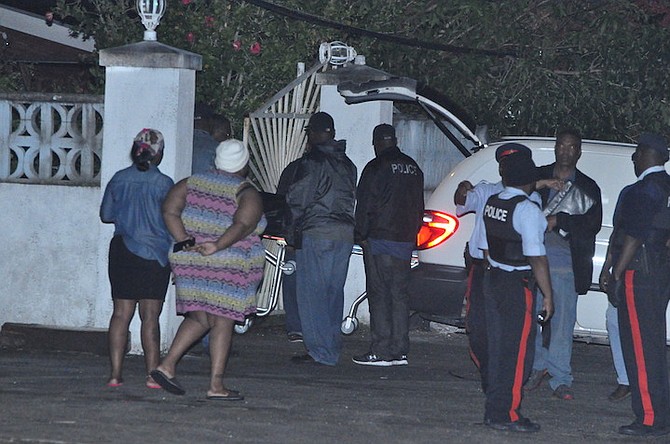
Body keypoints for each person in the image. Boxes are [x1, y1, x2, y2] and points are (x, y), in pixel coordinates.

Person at [151, 139, 267, 401]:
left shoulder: (191, 182)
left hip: (190, 260)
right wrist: (216, 245)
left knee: (201, 318)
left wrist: (185, 240)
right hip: (225, 263)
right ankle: (216, 385)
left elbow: (170, 210)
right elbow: (244, 224)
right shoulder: (245, 190)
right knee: (223, 320)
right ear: (244, 163)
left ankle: (166, 366)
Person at [600, 133, 670, 437]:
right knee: (651, 344)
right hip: (656, 271)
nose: (633, 158)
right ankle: (658, 414)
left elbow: (632, 235)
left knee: (641, 348)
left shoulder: (646, 188)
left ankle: (650, 419)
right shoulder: (665, 186)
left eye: (636, 152)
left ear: (645, 154)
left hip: (640, 271)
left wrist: (616, 271)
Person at [525, 129, 602, 401]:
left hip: (566, 265)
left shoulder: (588, 187)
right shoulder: (538, 176)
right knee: (531, 320)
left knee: (561, 324)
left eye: (572, 147)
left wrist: (559, 221)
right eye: (562, 146)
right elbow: (516, 194)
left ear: (579, 152)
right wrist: (541, 184)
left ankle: (560, 378)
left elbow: (592, 225)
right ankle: (536, 367)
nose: (566, 151)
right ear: (555, 147)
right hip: (532, 262)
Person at [453, 143, 537, 389]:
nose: (506, 168)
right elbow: (462, 200)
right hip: (482, 269)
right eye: (503, 163)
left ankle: (508, 381)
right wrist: (461, 187)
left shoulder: (530, 198)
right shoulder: (486, 190)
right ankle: (492, 374)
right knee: (478, 329)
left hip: (513, 273)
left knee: (512, 331)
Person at [482, 152, 554, 433]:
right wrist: (548, 295)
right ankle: (507, 414)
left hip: (494, 280)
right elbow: (537, 258)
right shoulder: (527, 210)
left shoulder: (493, 202)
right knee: (517, 354)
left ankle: (494, 409)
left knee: (499, 350)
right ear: (530, 178)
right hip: (516, 286)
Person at [100, 128, 174, 389]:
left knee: (120, 313)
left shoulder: (119, 179)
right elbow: (173, 220)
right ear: (159, 154)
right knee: (150, 316)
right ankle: (153, 374)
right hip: (153, 254)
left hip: (123, 251)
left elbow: (106, 214)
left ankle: (115, 374)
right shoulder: (164, 184)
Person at [283, 111, 356, 366]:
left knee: (312, 294)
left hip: (317, 232)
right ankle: (331, 347)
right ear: (332, 134)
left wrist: (290, 234)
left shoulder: (312, 161)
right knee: (333, 294)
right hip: (344, 234)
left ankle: (320, 352)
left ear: (313, 134)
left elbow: (298, 201)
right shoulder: (348, 163)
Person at [352, 124, 424, 367]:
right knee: (400, 296)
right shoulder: (413, 167)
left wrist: (360, 234)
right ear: (394, 140)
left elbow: (365, 204)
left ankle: (381, 350)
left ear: (377, 143)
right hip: (404, 240)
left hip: (380, 239)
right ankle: (400, 349)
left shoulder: (376, 167)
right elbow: (419, 205)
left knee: (380, 294)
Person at [276, 157, 304, 343]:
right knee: (294, 280)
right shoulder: (296, 169)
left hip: (306, 233)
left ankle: (297, 327)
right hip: (302, 233)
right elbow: (283, 202)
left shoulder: (295, 168)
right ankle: (295, 325)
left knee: (294, 279)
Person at [191, 104, 232, 174]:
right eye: (227, 135)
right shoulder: (217, 149)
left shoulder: (177, 141)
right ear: (210, 122)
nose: (228, 138)